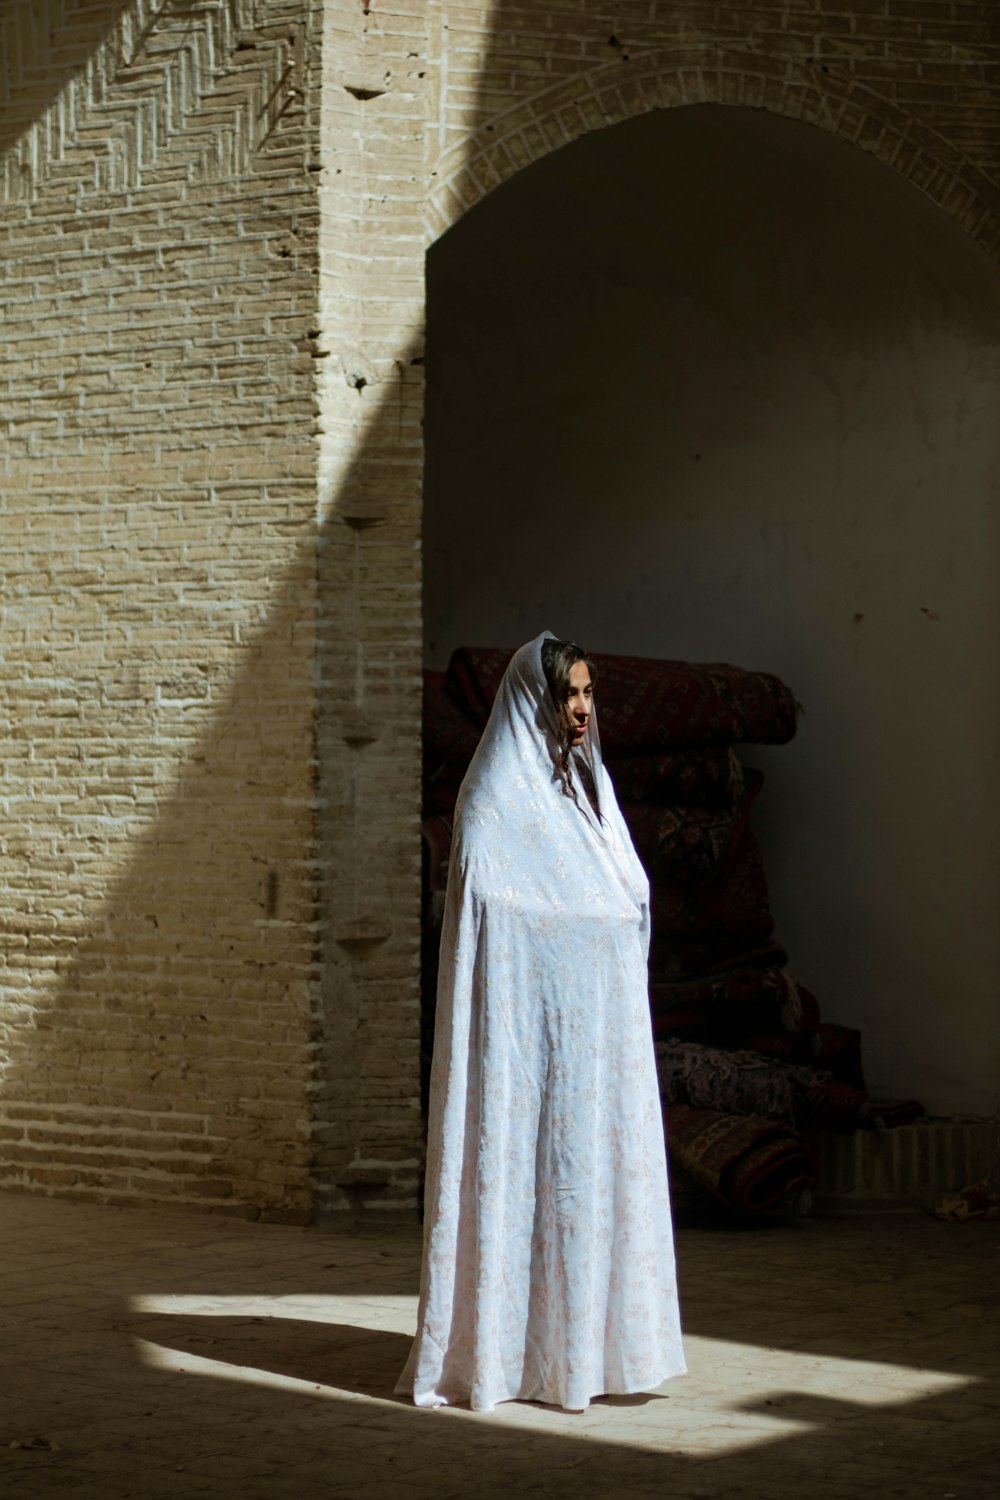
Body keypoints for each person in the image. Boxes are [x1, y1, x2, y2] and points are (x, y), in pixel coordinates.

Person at [396, 632, 686, 1412]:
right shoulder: (494, 800)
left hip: (595, 1047)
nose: (583, 709)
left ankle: (584, 1358)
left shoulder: (589, 795)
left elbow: (622, 896)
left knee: (583, 1192)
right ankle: (509, 1358)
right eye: (569, 695)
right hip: (527, 1049)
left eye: (589, 694)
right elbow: (500, 920)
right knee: (528, 1188)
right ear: (537, 700)